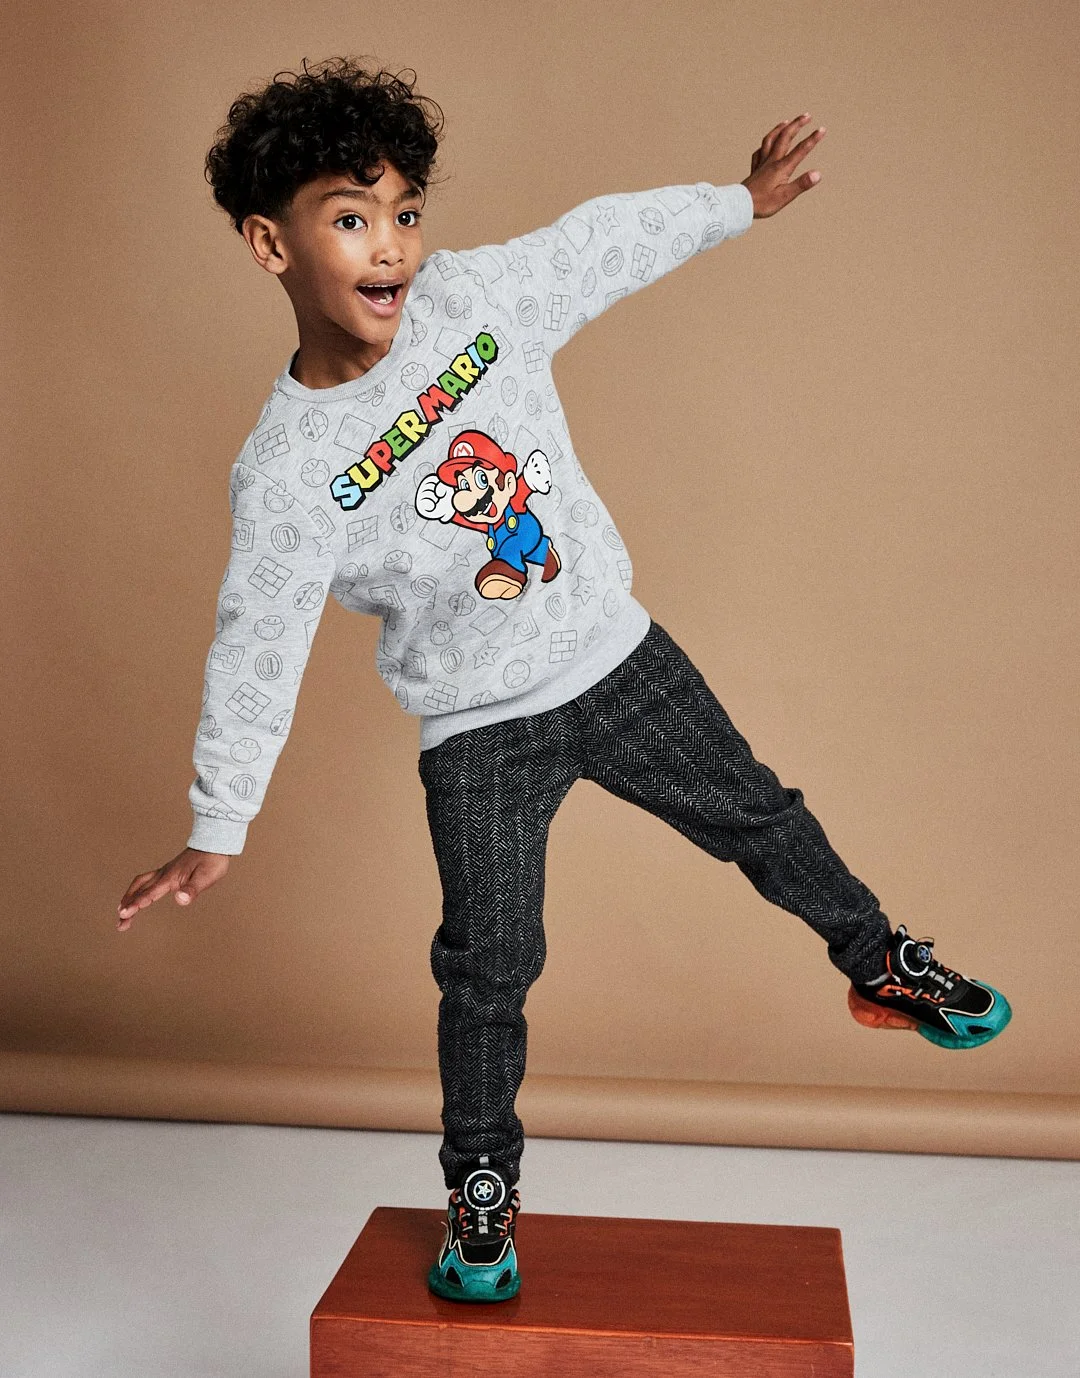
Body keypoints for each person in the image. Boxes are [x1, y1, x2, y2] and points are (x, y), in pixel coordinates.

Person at [117, 57, 1011, 1304]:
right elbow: (256, 637)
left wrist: (734, 204)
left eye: (406, 212)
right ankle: (481, 1193)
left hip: (613, 656)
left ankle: (881, 962)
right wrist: (221, 819)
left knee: (761, 815)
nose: (392, 245)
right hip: (478, 730)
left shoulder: (473, 302)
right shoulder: (286, 471)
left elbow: (597, 245)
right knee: (489, 966)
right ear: (272, 245)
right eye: (352, 218)